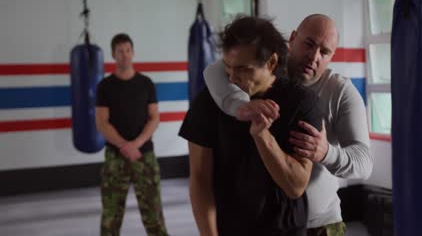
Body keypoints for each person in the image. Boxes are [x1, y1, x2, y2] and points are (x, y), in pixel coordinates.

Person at [203, 14, 373, 235]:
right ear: (293, 39)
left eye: (324, 52)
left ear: (332, 56)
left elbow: (364, 164)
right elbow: (214, 70)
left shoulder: (341, 92)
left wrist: (326, 153)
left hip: (320, 224)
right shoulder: (263, 72)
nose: (314, 57)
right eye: (309, 44)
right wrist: (240, 106)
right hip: (266, 223)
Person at [179, 16, 324, 235]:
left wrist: (261, 134)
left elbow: (295, 186)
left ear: (271, 63)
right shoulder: (208, 103)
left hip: (285, 230)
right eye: (228, 67)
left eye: (244, 69)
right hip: (230, 228)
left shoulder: (302, 102)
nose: (233, 78)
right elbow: (200, 179)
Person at [95, 33, 168, 236]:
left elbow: (154, 118)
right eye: (120, 51)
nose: (125, 55)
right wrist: (124, 146)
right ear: (113, 55)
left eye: (128, 50)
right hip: (115, 158)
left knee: (154, 216)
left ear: (133, 53)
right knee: (110, 217)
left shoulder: (146, 84)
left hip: (144, 156)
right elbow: (102, 122)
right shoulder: (105, 86)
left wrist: (136, 144)